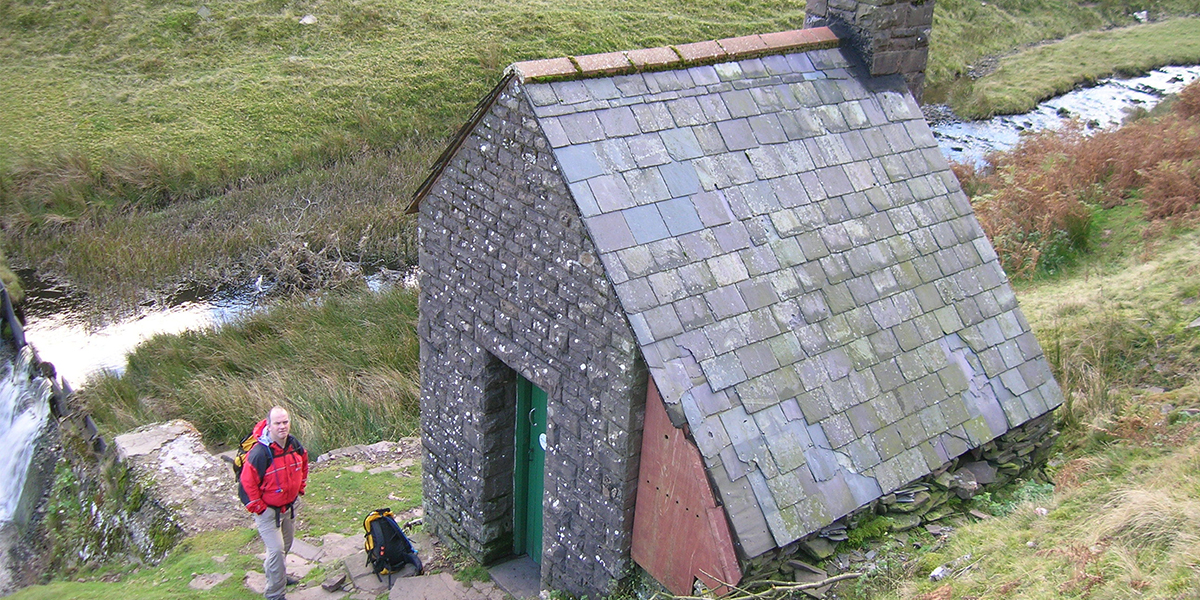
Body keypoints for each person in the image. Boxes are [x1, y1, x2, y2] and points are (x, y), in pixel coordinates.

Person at [239, 406, 309, 600]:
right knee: (276, 550)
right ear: (269, 426)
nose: (282, 426)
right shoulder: (259, 453)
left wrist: (300, 488)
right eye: (277, 423)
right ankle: (275, 595)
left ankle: (279, 575)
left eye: (285, 422)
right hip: (268, 512)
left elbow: (303, 463)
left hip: (289, 507)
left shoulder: (294, 444)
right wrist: (259, 507)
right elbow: (247, 483)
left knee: (286, 545)